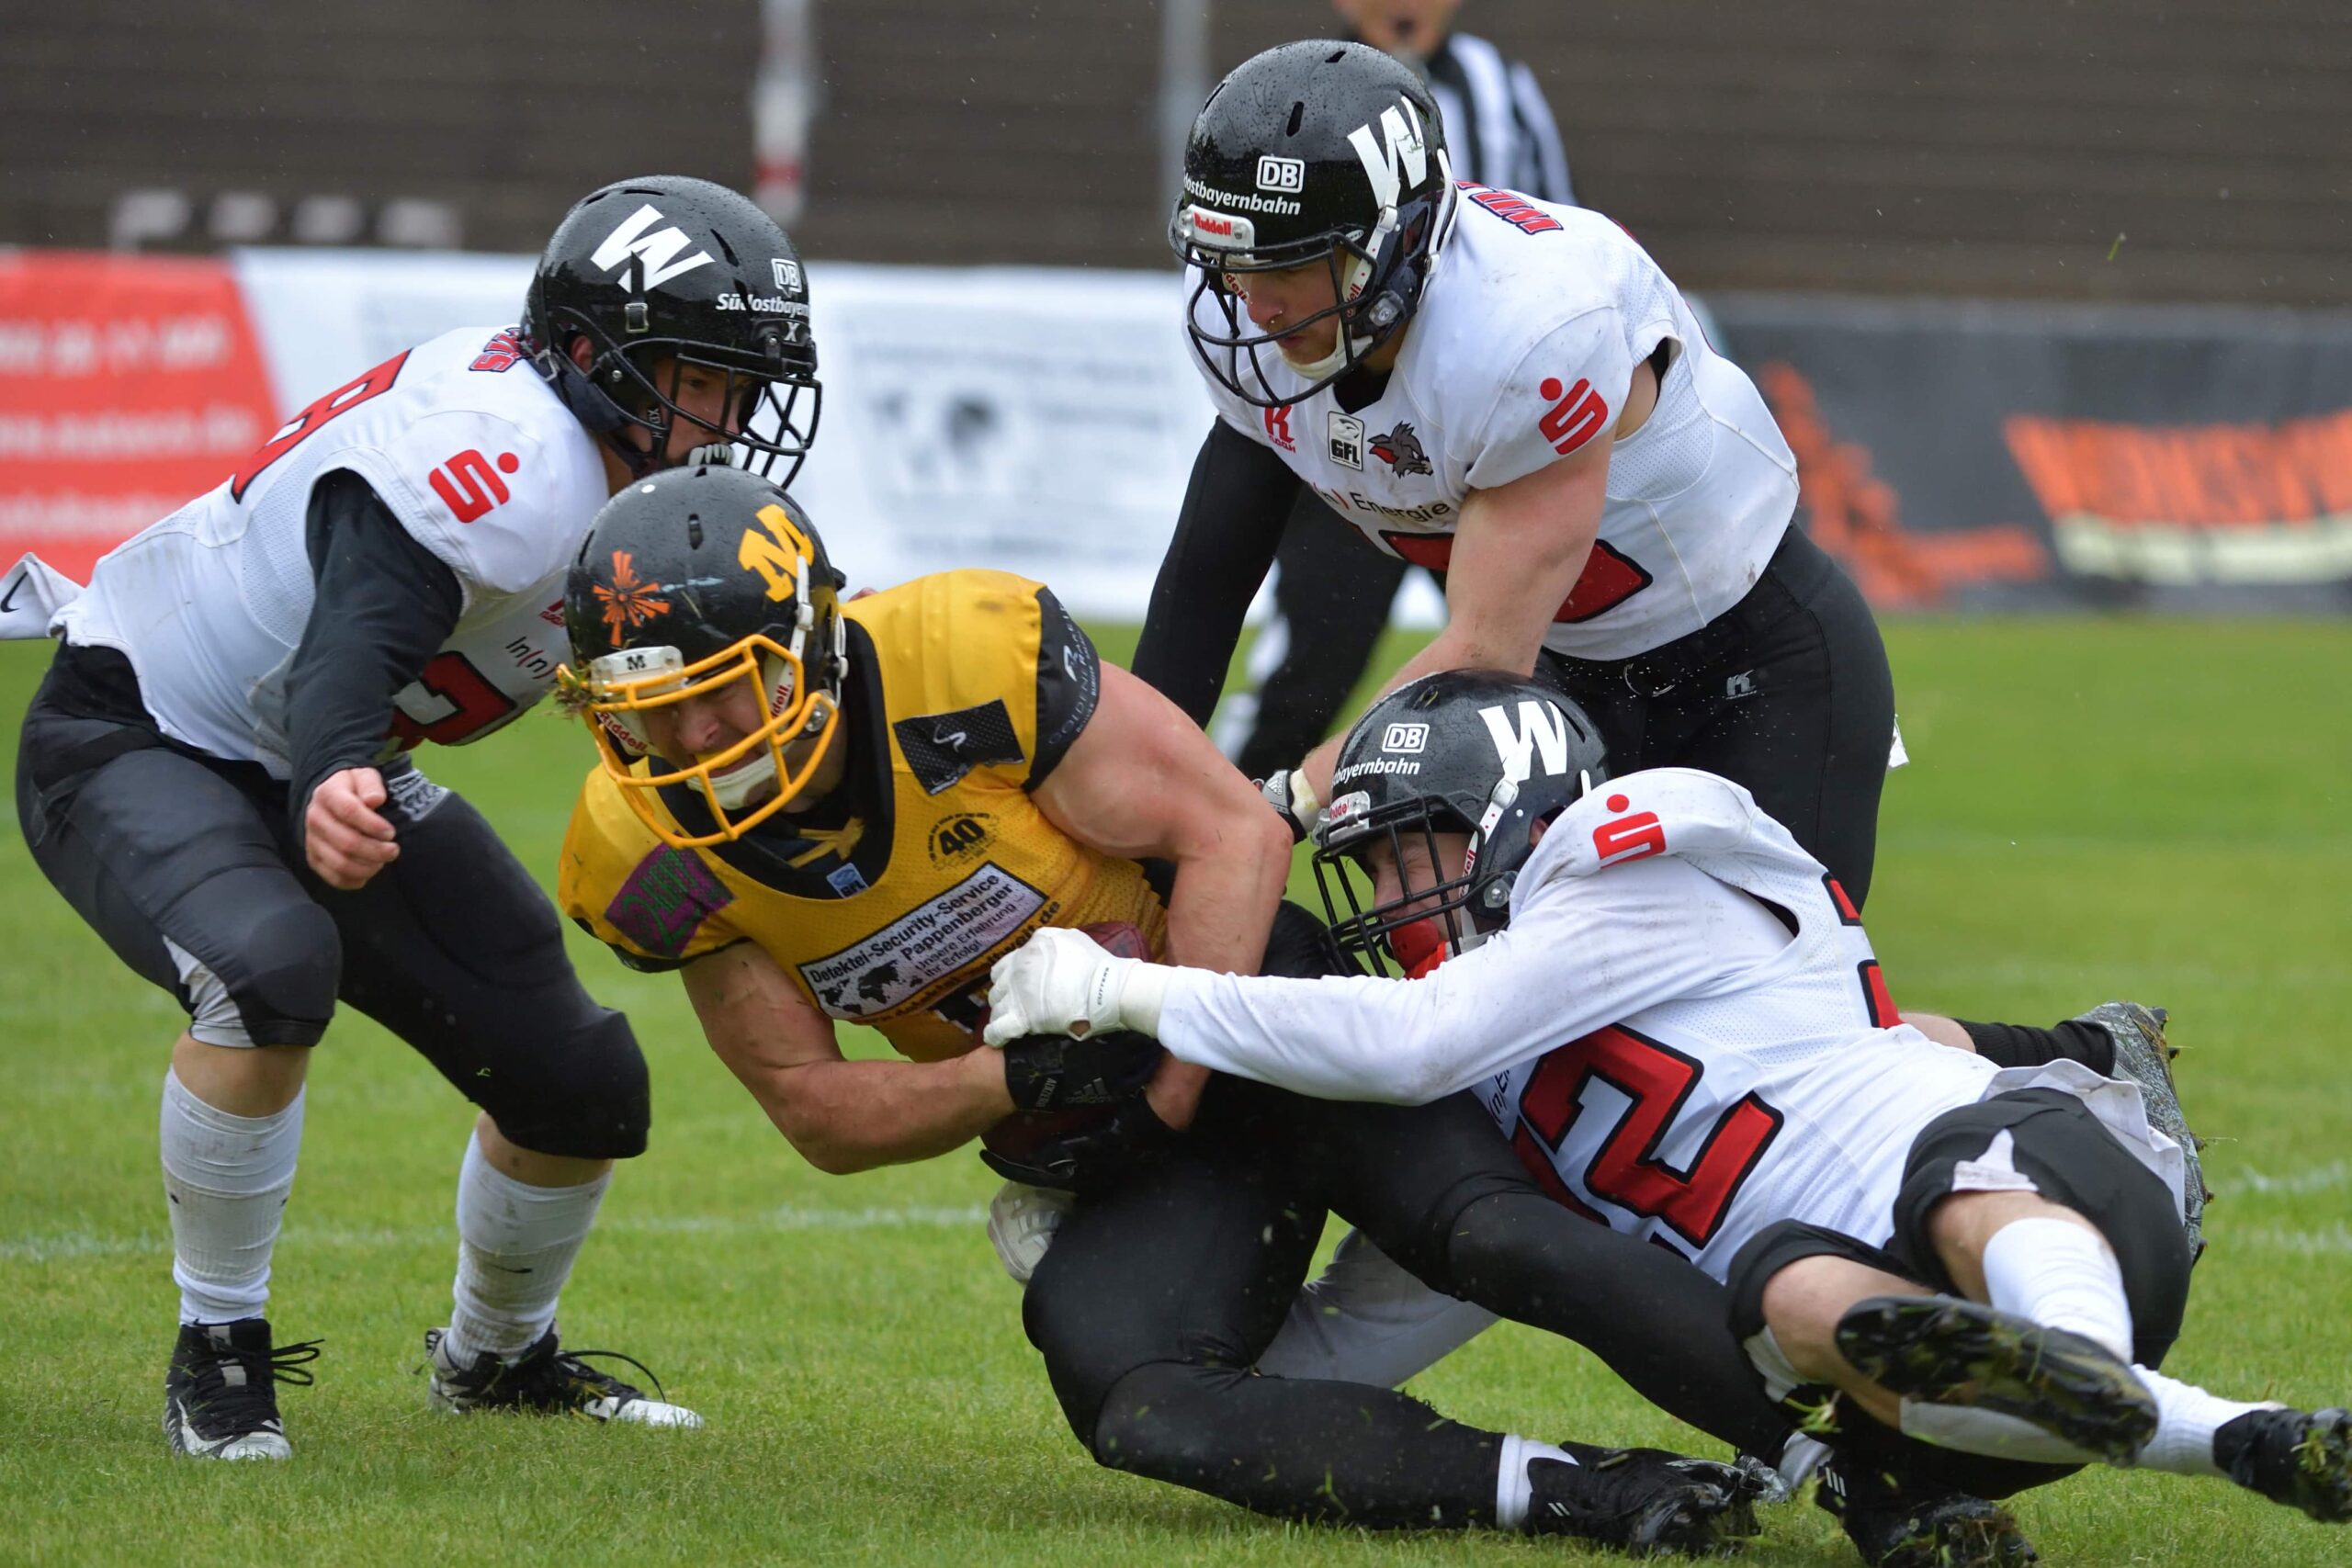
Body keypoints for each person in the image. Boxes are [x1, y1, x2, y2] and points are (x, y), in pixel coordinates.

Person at [553, 465, 1786, 1552]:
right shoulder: (639, 852)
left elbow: (1234, 834)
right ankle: (1588, 1492)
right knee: (1137, 1398)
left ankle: (1839, 1441)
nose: (693, 738)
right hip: (1102, 1118)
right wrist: (1015, 1082)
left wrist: (1168, 1078)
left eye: (725, 691)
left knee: (1490, 1233)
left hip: (1248, 1001)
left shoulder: (960, 661)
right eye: (648, 710)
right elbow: (814, 1109)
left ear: (813, 645)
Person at [1137, 35, 2204, 1274]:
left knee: (1775, 1046)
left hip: (1752, 667)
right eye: (1234, 262)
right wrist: (1144, 779)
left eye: (1288, 265)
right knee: (1589, 1057)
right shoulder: (1266, 330)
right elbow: (1206, 576)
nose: (1255, 304)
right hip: (1580, 680)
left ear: (1390, 247)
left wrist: (1270, 805)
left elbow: (1480, 652)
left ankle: (2073, 1065)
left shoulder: (1526, 325)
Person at [986, 671, 2349, 1563]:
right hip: (1943, 1399)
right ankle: (2163, 1417)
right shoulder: (1501, 1098)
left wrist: (1123, 989)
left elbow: (1413, 1040)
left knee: (1959, 1179)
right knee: (1784, 1295)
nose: (1393, 897)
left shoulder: (1635, 856)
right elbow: (1351, 1338)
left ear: (1516, 809)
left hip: (2052, 1179)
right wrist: (1118, 1251)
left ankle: (2138, 1385)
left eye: (1412, 848)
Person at [5, 174, 820, 1460]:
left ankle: (493, 1361)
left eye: (748, 383)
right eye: (706, 378)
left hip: (317, 751)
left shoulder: (609, 473)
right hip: (141, 727)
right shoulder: (509, 454)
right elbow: (352, 638)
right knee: (269, 971)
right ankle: (218, 1350)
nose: (734, 418)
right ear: (595, 356)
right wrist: (337, 768)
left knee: (581, 1085)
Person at [1216, 0, 1576, 783]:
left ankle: (1543, 840)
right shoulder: (1298, 98)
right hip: (1350, 419)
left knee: (1541, 669)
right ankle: (1229, 817)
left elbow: (1563, 234)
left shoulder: (1497, 84)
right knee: (1308, 672)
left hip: (1480, 434)